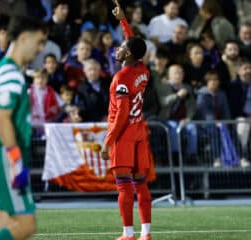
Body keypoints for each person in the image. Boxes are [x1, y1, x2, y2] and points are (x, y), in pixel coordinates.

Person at [0, 16, 47, 240]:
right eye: (39, 42)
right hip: (5, 153)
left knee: (5, 220)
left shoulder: (1, 68)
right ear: (24, 38)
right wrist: (15, 158)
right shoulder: (11, 73)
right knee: (26, 225)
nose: (40, 49)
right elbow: (2, 119)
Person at [100, 2, 152, 240]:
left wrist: (108, 141)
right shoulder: (143, 70)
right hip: (140, 129)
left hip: (125, 134)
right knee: (141, 184)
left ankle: (128, 234)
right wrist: (124, 21)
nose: (117, 49)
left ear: (128, 54)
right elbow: (134, 43)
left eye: (121, 47)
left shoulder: (121, 77)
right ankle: (146, 234)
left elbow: (120, 114)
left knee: (123, 185)